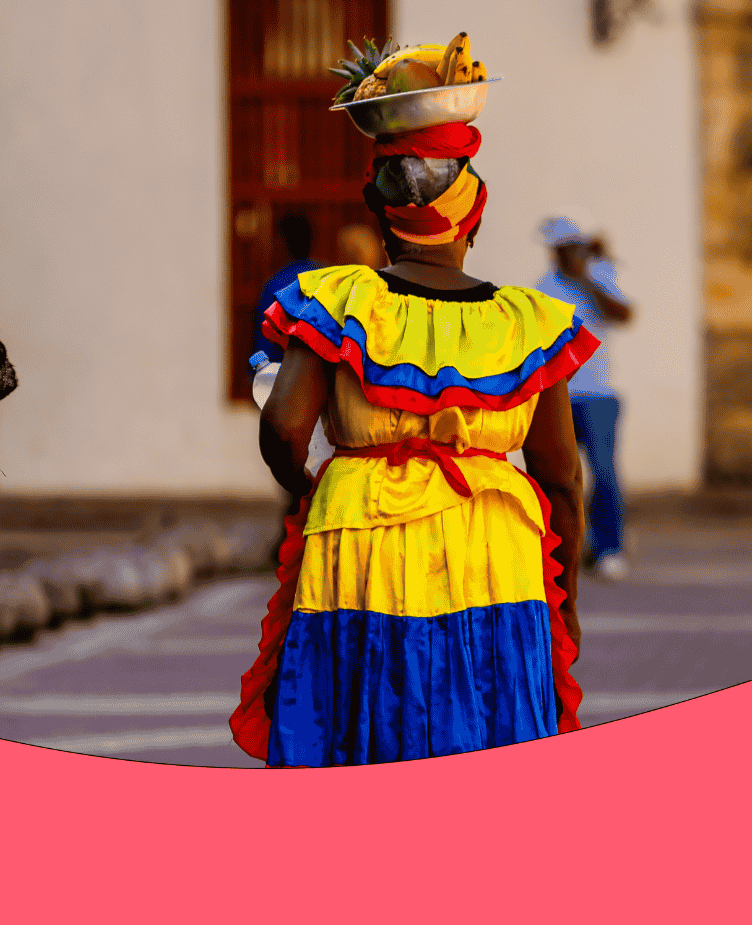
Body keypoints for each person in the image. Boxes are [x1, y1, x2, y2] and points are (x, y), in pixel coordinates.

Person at [230, 122, 598, 766]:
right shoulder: (530, 322)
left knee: (357, 720)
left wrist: (308, 489)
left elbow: (285, 429)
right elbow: (561, 478)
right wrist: (565, 604)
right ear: (474, 223)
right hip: (497, 554)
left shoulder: (339, 300)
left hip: (360, 539)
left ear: (378, 212)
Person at [533, 209, 635, 581]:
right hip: (558, 394)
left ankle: (609, 547)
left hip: (597, 395)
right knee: (559, 477)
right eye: (562, 250)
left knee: (605, 473)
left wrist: (589, 281)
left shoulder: (600, 277)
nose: (568, 255)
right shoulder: (542, 287)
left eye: (573, 248)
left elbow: (624, 315)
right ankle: (565, 549)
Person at [251, 214, 323, 365]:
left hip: (285, 376)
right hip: (325, 379)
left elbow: (266, 344)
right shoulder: (328, 280)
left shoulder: (276, 287)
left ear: (282, 243)